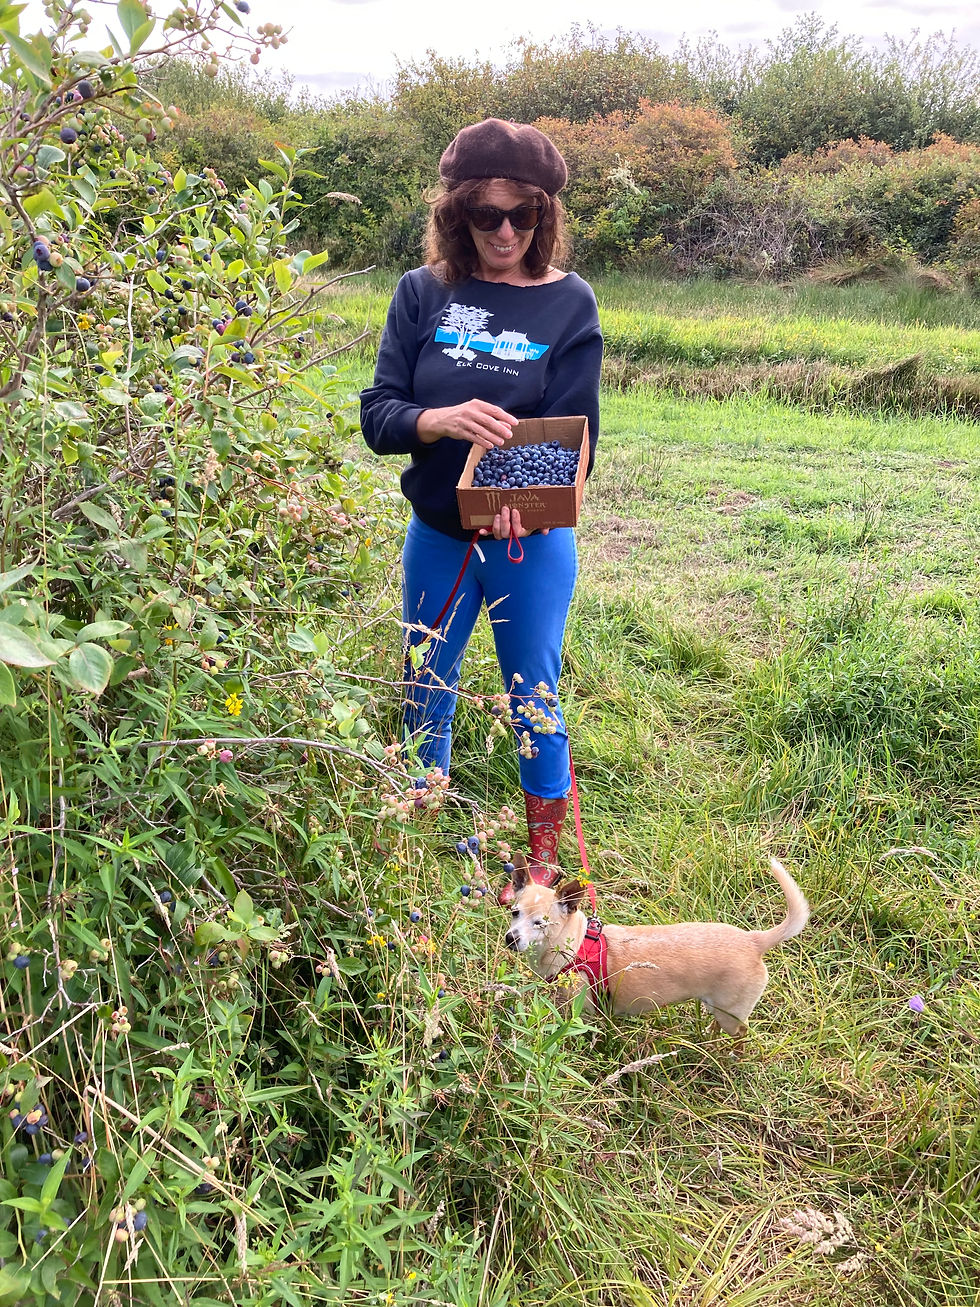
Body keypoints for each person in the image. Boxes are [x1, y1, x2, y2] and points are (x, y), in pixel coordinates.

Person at [360, 118, 602, 904]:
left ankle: (539, 864)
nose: (504, 231)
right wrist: (440, 419)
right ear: (456, 212)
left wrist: (524, 508)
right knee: (425, 678)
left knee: (534, 691)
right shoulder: (423, 293)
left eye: (522, 214)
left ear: (545, 214)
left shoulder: (570, 303)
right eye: (485, 214)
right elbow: (378, 413)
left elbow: (576, 435)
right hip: (437, 532)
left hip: (528, 540)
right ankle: (422, 832)